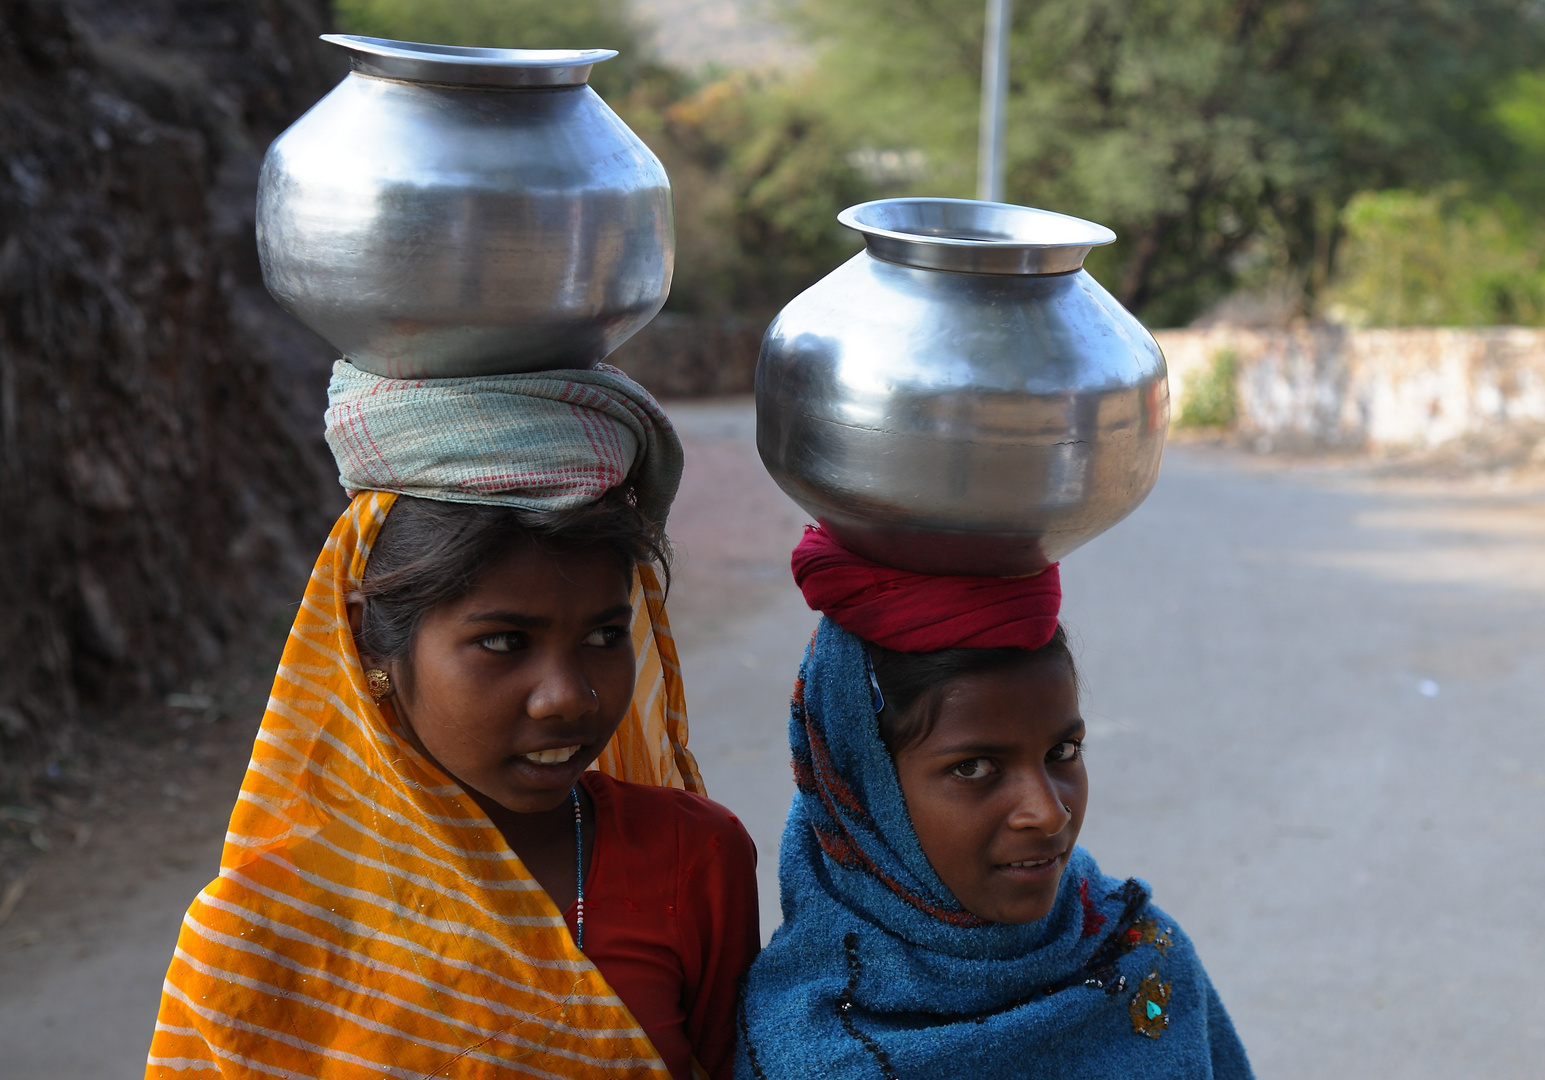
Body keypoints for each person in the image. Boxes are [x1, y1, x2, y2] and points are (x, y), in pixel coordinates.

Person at [147, 363, 759, 1080]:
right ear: (370, 640)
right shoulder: (259, 931)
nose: (566, 697)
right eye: (503, 642)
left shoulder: (693, 856)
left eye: (601, 637)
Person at [736, 527, 1252, 1080]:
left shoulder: (1142, 954)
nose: (1049, 812)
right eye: (974, 767)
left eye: (1063, 751)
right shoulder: (814, 1052)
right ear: (863, 794)